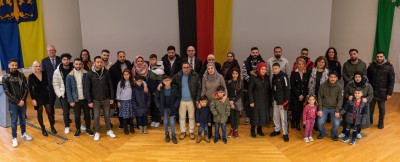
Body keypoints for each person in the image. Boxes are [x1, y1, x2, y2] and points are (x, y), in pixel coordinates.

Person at [3, 59, 32, 147]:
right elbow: (7, 92)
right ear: (9, 66)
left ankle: (23, 133)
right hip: (13, 103)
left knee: (23, 119)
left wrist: (22, 100)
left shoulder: (21, 75)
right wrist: (17, 101)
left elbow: (26, 88)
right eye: (12, 65)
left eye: (16, 65)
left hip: (22, 102)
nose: (14, 67)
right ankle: (14, 138)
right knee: (14, 121)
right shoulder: (5, 77)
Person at [87, 56, 116, 141]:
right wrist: (89, 101)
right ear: (94, 63)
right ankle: (97, 132)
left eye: (101, 62)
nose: (99, 64)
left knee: (107, 116)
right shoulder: (89, 74)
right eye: (98, 62)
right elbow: (87, 88)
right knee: (96, 117)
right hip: (95, 100)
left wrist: (112, 98)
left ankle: (109, 130)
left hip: (106, 98)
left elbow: (110, 86)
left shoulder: (106, 72)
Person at [65, 58, 94, 137]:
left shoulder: (86, 74)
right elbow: (68, 89)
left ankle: (88, 129)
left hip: (85, 99)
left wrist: (90, 99)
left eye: (79, 64)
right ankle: (78, 129)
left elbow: (90, 87)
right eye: (76, 64)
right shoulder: (69, 76)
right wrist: (71, 100)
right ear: (73, 64)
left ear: (82, 65)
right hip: (76, 99)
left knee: (87, 115)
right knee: (77, 116)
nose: (78, 65)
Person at [339, 71, 373, 139]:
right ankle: (344, 131)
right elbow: (345, 93)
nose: (357, 78)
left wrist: (366, 99)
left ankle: (357, 132)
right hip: (351, 104)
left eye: (359, 77)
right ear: (354, 78)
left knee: (358, 119)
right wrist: (348, 96)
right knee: (347, 118)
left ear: (362, 77)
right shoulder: (349, 84)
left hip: (361, 105)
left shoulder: (368, 85)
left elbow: (371, 95)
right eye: (356, 77)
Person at [172, 62, 201, 140]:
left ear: (190, 67)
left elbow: (199, 88)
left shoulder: (195, 75)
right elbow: (168, 80)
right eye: (184, 67)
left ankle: (191, 132)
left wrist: (198, 99)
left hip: (192, 100)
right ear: (182, 68)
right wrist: (161, 84)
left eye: (187, 67)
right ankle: (183, 132)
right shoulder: (178, 76)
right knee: (182, 117)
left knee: (191, 117)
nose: (186, 69)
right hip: (181, 100)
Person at [367, 51, 395, 129]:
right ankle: (370, 121)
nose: (379, 58)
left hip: (383, 92)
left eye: (381, 56)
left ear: (384, 57)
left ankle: (381, 121)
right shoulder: (371, 66)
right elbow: (367, 78)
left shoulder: (389, 67)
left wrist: (389, 93)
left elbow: (391, 81)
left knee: (382, 108)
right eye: (378, 56)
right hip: (372, 91)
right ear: (376, 57)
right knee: (370, 108)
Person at [28, 61, 56, 136]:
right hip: (37, 97)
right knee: (40, 113)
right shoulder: (31, 76)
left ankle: (52, 126)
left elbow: (47, 84)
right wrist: (33, 99)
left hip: (46, 95)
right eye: (36, 66)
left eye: (39, 66)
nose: (38, 68)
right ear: (33, 67)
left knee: (49, 112)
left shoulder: (44, 73)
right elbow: (30, 89)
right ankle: (43, 128)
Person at [201, 63, 227, 139]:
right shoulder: (205, 77)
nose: (210, 70)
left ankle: (217, 133)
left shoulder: (220, 77)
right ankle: (209, 133)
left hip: (217, 101)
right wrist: (201, 101)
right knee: (208, 118)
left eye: (211, 68)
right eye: (208, 68)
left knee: (216, 118)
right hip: (208, 101)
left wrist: (225, 97)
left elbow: (224, 88)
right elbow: (203, 89)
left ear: (214, 68)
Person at [317, 71, 343, 141]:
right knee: (319, 122)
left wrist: (337, 110)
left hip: (334, 108)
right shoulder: (322, 85)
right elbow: (319, 97)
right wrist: (319, 109)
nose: (332, 79)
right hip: (324, 107)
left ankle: (333, 134)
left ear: (337, 78)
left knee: (337, 123)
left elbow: (340, 100)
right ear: (328, 77)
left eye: (334, 77)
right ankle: (322, 133)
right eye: (331, 77)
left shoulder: (340, 87)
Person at [109, 51, 133, 128]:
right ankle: (122, 123)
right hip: (119, 91)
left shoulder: (128, 64)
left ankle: (129, 122)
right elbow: (111, 81)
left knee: (129, 108)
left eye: (123, 56)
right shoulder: (113, 67)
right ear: (117, 57)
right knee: (120, 108)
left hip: (128, 90)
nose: (122, 58)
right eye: (120, 57)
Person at [242, 47, 265, 125]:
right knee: (249, 102)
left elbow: (263, 73)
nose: (255, 54)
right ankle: (248, 117)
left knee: (258, 102)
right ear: (251, 53)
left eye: (256, 52)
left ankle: (257, 118)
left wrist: (257, 81)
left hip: (259, 87)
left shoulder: (262, 62)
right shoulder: (245, 62)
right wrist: (253, 81)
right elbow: (244, 74)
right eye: (253, 52)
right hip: (248, 85)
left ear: (258, 53)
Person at [248, 62, 271, 138]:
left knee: (262, 115)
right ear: (258, 69)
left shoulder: (267, 77)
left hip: (265, 99)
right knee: (255, 116)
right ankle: (252, 130)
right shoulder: (253, 77)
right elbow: (250, 90)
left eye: (265, 69)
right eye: (262, 69)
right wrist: (251, 101)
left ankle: (259, 130)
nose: (263, 71)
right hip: (255, 99)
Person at [155, 75, 180, 144]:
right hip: (164, 108)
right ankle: (166, 134)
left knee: (172, 122)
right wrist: (159, 106)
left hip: (172, 107)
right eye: (165, 80)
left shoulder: (174, 87)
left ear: (171, 80)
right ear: (163, 81)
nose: (167, 82)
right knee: (165, 122)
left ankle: (173, 135)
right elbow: (156, 97)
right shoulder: (160, 88)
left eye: (168, 80)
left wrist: (175, 106)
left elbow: (178, 98)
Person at [52, 53, 73, 134]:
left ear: (69, 60)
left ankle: (79, 125)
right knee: (65, 111)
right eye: (64, 59)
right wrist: (59, 94)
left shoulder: (73, 69)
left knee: (76, 110)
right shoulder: (57, 71)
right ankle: (67, 126)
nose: (66, 61)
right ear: (61, 60)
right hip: (63, 94)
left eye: (67, 59)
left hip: (73, 93)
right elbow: (55, 84)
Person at [269, 63, 290, 142]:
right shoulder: (273, 77)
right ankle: (277, 130)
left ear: (279, 68)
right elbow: (273, 89)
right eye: (273, 69)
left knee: (283, 117)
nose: (274, 70)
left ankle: (285, 133)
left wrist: (286, 100)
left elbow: (287, 89)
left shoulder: (284, 77)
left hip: (283, 101)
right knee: (275, 116)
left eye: (276, 68)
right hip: (275, 100)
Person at [41, 45, 61, 125]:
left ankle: (67, 116)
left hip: (60, 84)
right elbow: (44, 73)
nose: (52, 51)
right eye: (50, 50)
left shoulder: (60, 59)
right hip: (50, 85)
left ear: (55, 51)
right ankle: (52, 117)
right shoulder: (44, 61)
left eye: (53, 50)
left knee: (63, 101)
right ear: (47, 52)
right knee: (51, 102)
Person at [290, 58, 310, 131]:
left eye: (302, 64)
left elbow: (307, 86)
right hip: (295, 95)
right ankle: (293, 122)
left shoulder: (306, 73)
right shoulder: (293, 73)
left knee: (300, 110)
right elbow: (292, 85)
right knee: (295, 109)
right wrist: (298, 95)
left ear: (304, 65)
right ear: (296, 65)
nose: (301, 65)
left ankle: (298, 123)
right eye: (299, 64)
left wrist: (303, 95)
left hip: (303, 95)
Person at [116, 69, 135, 135]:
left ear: (130, 75)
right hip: (123, 101)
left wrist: (145, 85)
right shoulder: (120, 82)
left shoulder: (132, 81)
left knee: (131, 115)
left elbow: (141, 81)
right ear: (123, 75)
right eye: (125, 75)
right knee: (125, 116)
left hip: (131, 101)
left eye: (127, 75)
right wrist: (118, 101)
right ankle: (125, 129)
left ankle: (131, 128)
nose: (126, 76)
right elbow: (118, 92)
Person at [148, 54, 164, 128]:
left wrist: (156, 91)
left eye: (153, 59)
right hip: (150, 91)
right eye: (151, 60)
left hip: (157, 91)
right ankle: (153, 120)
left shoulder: (160, 68)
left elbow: (160, 82)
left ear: (156, 60)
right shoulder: (149, 67)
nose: (152, 61)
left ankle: (157, 120)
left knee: (157, 106)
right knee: (152, 106)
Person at [227, 68, 243, 140]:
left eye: (236, 73)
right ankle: (231, 129)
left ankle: (235, 130)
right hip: (230, 100)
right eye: (233, 73)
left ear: (238, 74)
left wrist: (234, 101)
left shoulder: (241, 82)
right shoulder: (229, 82)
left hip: (238, 100)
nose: (235, 75)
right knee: (232, 116)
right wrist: (230, 101)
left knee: (236, 117)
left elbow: (241, 93)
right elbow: (227, 92)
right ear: (232, 74)